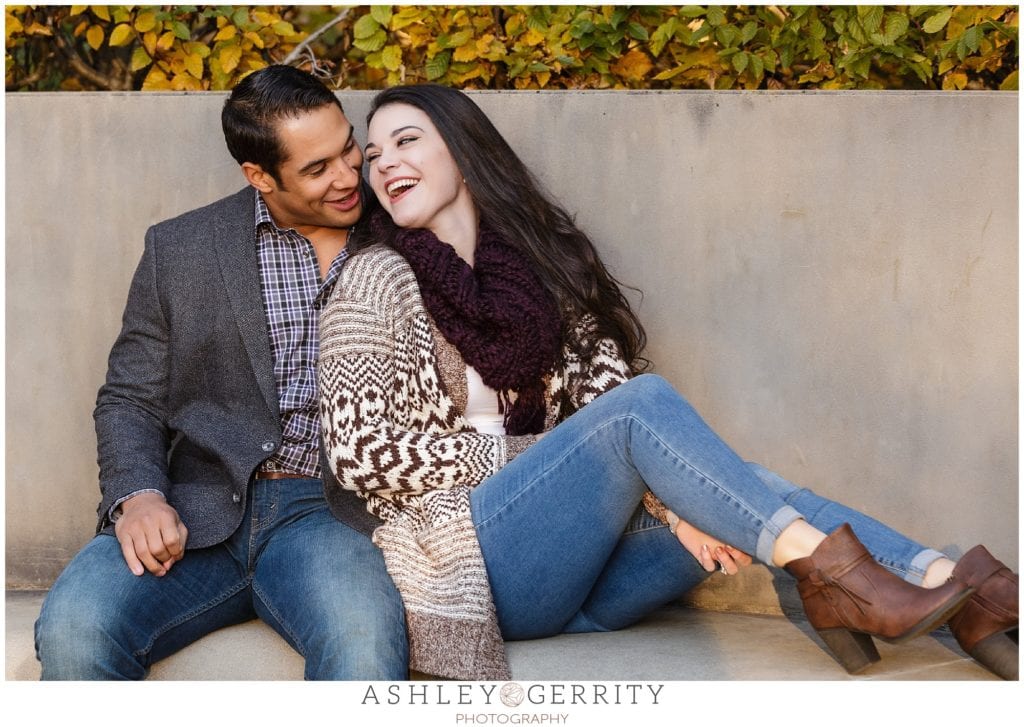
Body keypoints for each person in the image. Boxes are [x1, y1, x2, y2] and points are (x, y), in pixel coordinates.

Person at [317, 83, 1018, 682]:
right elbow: (358, 452)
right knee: (645, 411)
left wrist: (676, 500)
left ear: (464, 153)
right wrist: (541, 455)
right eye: (375, 154)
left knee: (744, 480)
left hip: (586, 578)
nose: (385, 165)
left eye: (406, 141)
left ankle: (945, 582)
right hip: (472, 570)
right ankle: (844, 578)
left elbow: (610, 414)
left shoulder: (543, 275)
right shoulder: (375, 278)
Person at [34, 65, 407, 680]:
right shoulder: (181, 248)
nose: (348, 178)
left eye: (347, 150)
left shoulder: (402, 234)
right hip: (194, 512)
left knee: (364, 643)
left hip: (332, 514)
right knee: (76, 627)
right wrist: (140, 496)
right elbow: (130, 397)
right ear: (259, 176)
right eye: (316, 169)